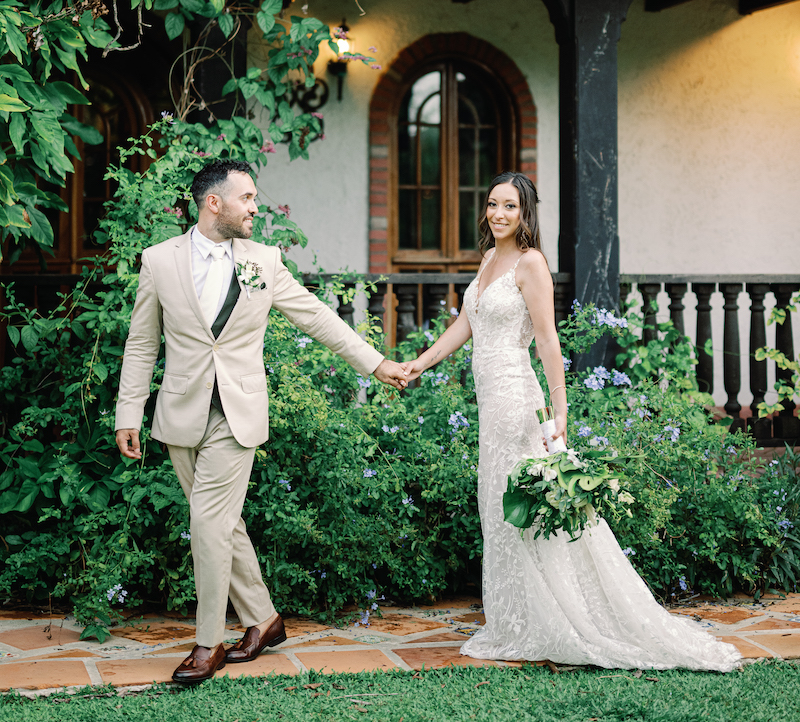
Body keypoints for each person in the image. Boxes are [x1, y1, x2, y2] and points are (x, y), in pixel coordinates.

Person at [401, 171, 739, 671]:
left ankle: (563, 618)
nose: (497, 214)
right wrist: (419, 364)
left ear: (525, 214)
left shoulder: (531, 263)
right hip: (490, 408)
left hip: (518, 403)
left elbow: (547, 340)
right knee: (500, 508)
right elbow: (465, 326)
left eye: (509, 207)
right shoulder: (490, 259)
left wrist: (560, 410)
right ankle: (517, 620)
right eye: (492, 204)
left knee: (531, 508)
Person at [114, 158, 408, 684]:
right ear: (213, 203)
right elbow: (143, 342)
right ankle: (266, 620)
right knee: (223, 524)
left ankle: (208, 644)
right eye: (247, 198)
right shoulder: (159, 261)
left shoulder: (263, 262)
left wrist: (376, 363)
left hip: (238, 413)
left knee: (206, 522)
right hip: (181, 413)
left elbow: (315, 316)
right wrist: (128, 411)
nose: (255, 207)